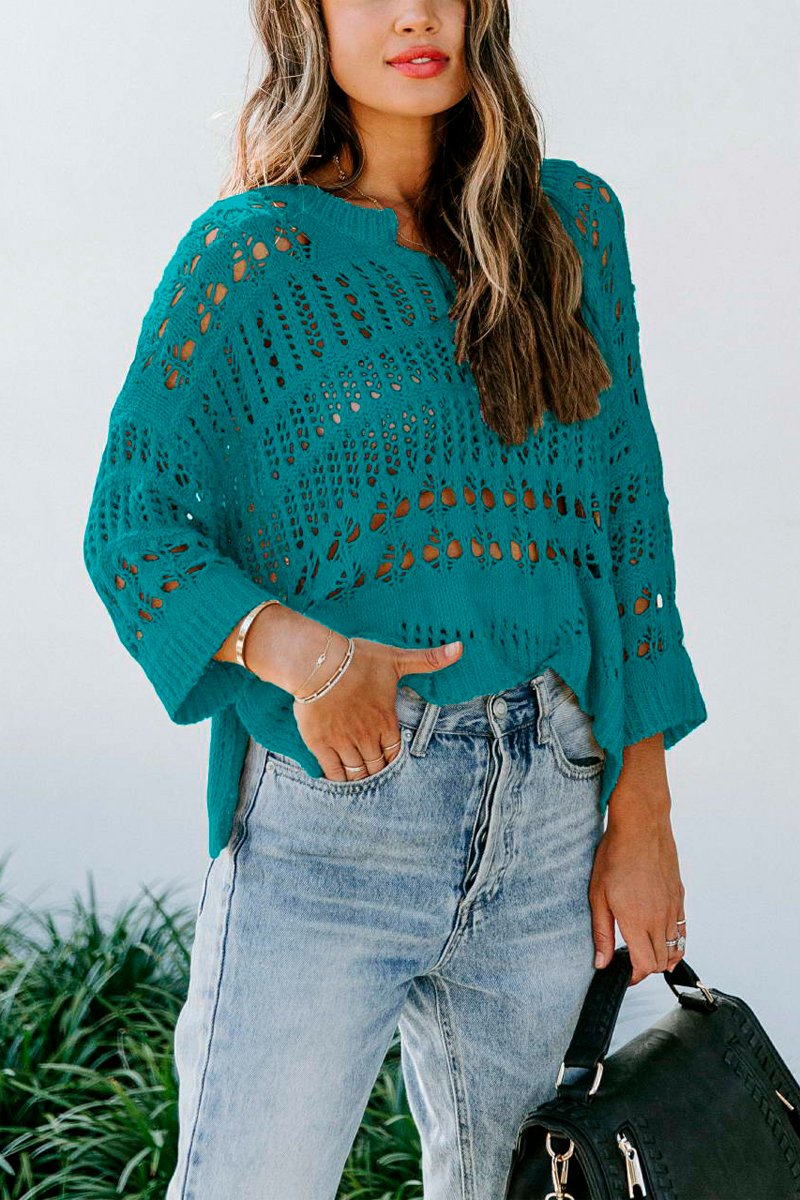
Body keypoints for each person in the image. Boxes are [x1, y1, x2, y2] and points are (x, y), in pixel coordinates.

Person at [81, 1, 708, 1195]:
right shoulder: (250, 259)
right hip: (333, 821)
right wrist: (303, 654)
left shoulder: (572, 224)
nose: (415, 12)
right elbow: (133, 528)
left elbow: (628, 529)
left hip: (551, 812)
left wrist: (642, 810)